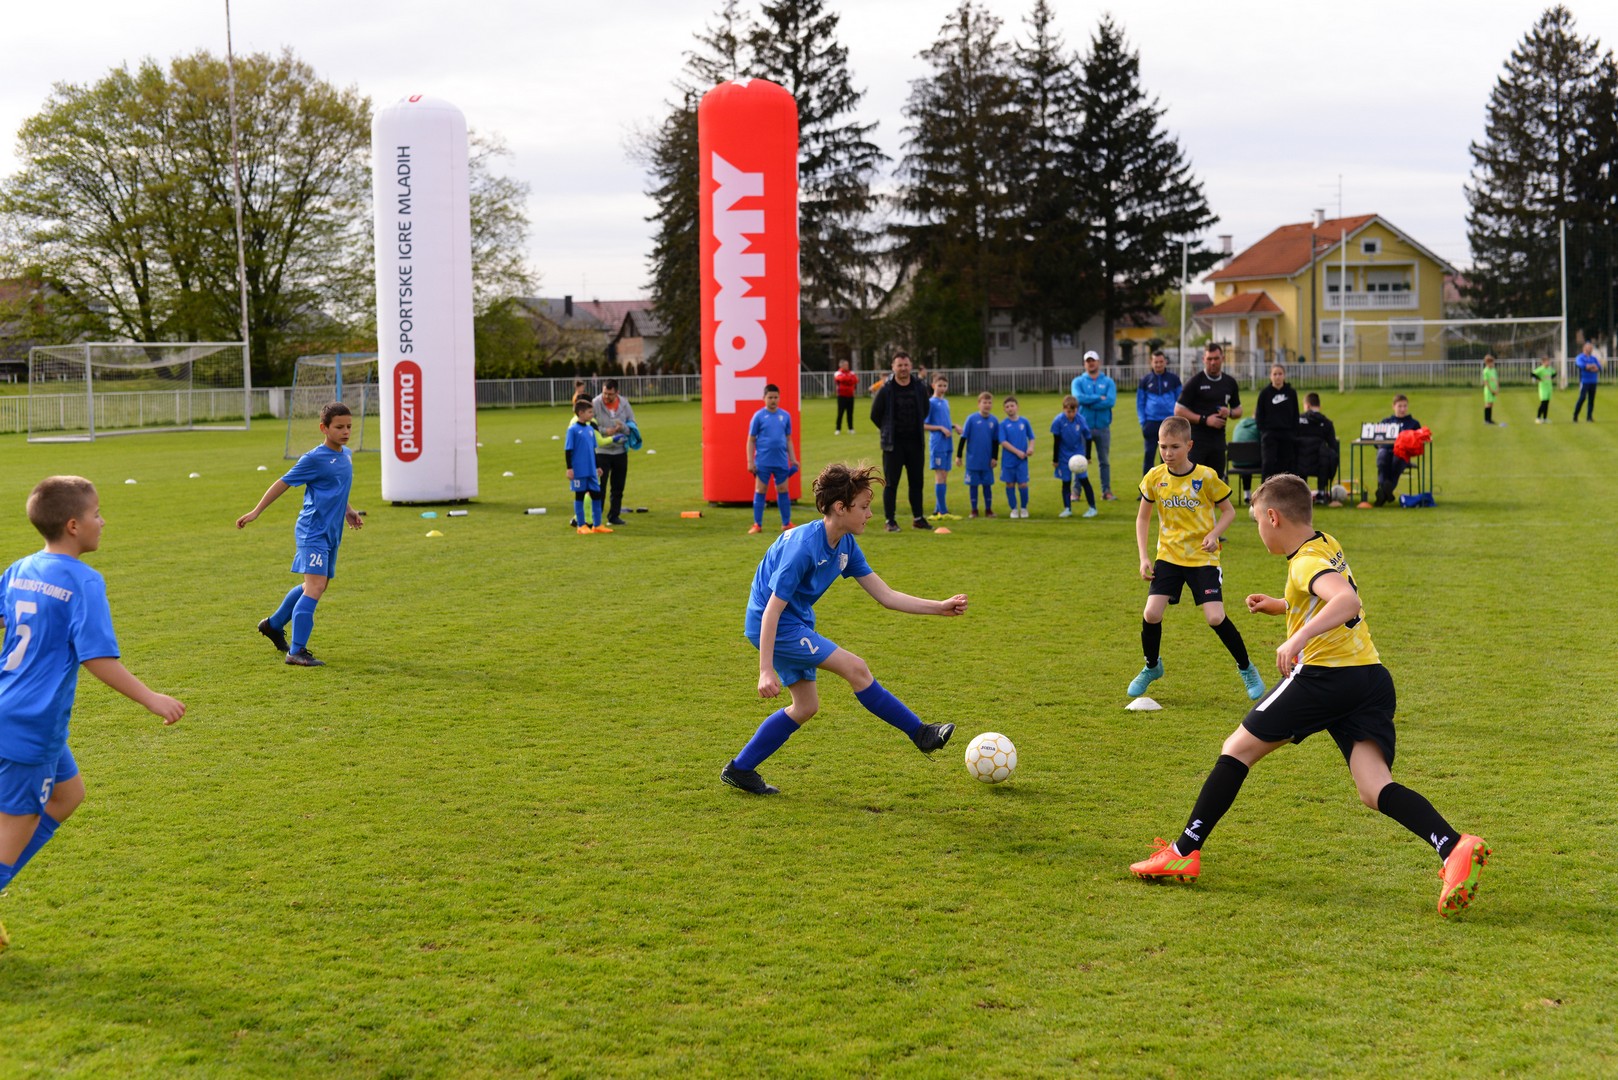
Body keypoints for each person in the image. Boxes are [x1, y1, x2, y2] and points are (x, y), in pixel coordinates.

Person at [1129, 474, 1490, 918]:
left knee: (1236, 749)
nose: (1258, 529)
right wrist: (1281, 607)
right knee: (1374, 788)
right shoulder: (1323, 543)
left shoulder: (1303, 564)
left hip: (1326, 678)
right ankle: (1454, 846)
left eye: (1258, 520)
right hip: (1369, 678)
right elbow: (1331, 594)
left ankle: (1184, 850)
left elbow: (1345, 602)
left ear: (1274, 517)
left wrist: (1295, 638)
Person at [0, 476, 186, 951]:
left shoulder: (20, 568)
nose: (103, 521)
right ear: (74, 525)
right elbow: (97, 657)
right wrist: (152, 698)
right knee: (15, 828)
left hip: (13, 712)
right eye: (98, 513)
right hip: (32, 725)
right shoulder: (84, 580)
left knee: (68, 796)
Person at [720, 463, 966, 795]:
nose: (869, 514)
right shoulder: (803, 548)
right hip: (774, 624)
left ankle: (741, 769)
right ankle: (920, 733)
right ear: (840, 507)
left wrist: (940, 607)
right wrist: (765, 670)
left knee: (806, 707)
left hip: (796, 620)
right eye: (864, 507)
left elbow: (886, 595)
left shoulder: (845, 545)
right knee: (856, 668)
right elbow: (770, 611)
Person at [1130, 416, 1267, 702]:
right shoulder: (1154, 477)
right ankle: (1152, 666)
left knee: (1215, 617)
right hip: (1168, 555)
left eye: (1175, 447)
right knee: (1151, 614)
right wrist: (1144, 557)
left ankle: (1247, 668)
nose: (1168, 453)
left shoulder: (1205, 477)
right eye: (1163, 447)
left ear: (1189, 445)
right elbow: (1143, 518)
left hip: (1202, 558)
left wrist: (1214, 534)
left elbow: (1229, 511)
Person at [238, 402, 364, 666]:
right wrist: (256, 511)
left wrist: (348, 510)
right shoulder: (313, 458)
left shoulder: (347, 454)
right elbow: (282, 483)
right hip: (313, 531)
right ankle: (296, 652)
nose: (345, 432)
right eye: (339, 427)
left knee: (315, 585)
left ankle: (272, 625)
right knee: (316, 586)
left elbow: (337, 487)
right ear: (324, 428)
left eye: (349, 426)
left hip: (331, 531)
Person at [869, 351, 933, 531]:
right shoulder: (886, 389)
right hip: (893, 445)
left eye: (906, 365)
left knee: (916, 482)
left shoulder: (919, 387)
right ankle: (890, 520)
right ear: (893, 367)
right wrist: (887, 429)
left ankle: (918, 518)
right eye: (899, 365)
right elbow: (875, 414)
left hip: (915, 443)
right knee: (891, 483)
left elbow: (925, 410)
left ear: (910, 366)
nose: (903, 369)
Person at [1175, 343, 1243, 478]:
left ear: (1222, 358)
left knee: (1215, 482)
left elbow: (1238, 410)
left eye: (1216, 358)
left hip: (1218, 441)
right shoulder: (1195, 382)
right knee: (1194, 481)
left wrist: (1229, 413)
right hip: (1197, 441)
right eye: (1209, 359)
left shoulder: (1229, 382)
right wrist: (1205, 420)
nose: (1213, 362)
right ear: (1203, 360)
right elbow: (1178, 410)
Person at [747, 384, 799, 534]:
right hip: (763, 461)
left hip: (781, 461)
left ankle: (786, 523)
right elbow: (750, 440)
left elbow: (788, 439)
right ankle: (757, 524)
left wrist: (793, 459)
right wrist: (750, 461)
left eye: (775, 397)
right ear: (764, 398)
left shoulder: (785, 416)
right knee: (760, 489)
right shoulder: (758, 416)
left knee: (783, 489)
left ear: (779, 398)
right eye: (770, 397)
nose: (773, 400)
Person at [565, 398, 617, 535]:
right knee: (580, 496)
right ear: (580, 413)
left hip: (591, 470)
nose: (592, 415)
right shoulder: (573, 430)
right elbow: (568, 450)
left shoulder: (590, 429)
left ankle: (597, 524)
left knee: (596, 495)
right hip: (579, 470)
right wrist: (569, 468)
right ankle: (581, 525)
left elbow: (593, 449)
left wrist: (598, 466)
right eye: (589, 412)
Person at [1072, 350, 1118, 500]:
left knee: (1104, 461)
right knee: (1079, 461)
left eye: (1093, 360)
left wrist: (1090, 402)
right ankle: (1076, 492)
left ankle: (1107, 491)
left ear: (1098, 362)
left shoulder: (1108, 382)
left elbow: (1110, 401)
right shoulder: (1078, 381)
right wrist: (1099, 398)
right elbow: (1078, 399)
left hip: (1103, 428)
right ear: (1085, 364)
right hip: (1083, 428)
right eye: (1088, 361)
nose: (1091, 363)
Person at [591, 380, 635, 526]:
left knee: (618, 486)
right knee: (600, 486)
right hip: (602, 451)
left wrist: (622, 427)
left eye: (610, 394)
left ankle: (614, 516)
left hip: (620, 451)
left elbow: (632, 425)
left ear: (616, 393)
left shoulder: (624, 404)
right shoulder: (595, 403)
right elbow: (591, 425)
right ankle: (597, 517)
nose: (606, 396)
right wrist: (605, 432)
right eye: (604, 393)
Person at [1137, 349, 1182, 478]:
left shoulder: (1174, 379)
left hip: (1169, 423)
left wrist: (1177, 420)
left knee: (1168, 457)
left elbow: (1180, 400)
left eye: (1161, 362)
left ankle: (1167, 487)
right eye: (1156, 362)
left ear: (1165, 362)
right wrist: (1143, 422)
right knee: (1149, 455)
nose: (1158, 365)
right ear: (1151, 362)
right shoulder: (1145, 380)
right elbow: (1140, 403)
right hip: (1151, 423)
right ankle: (1146, 491)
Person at [1050, 395, 1097, 519]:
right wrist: (1055, 459)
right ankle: (1067, 508)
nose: (1071, 414)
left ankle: (1092, 508)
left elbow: (1088, 437)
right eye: (1068, 411)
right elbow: (1056, 441)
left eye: (1073, 411)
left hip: (1078, 454)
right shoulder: (1058, 421)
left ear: (1077, 409)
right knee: (1066, 482)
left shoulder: (1080, 419)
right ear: (1064, 409)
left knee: (1084, 480)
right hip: (1063, 455)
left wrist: (1087, 456)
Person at [956, 391, 1000, 518]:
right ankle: (974, 510)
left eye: (989, 402)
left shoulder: (994, 421)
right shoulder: (971, 419)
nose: (987, 405)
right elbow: (963, 438)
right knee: (973, 485)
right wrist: (959, 456)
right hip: (973, 460)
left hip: (987, 461)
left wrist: (994, 457)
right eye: (984, 402)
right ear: (978, 404)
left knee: (987, 485)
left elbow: (995, 441)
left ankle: (988, 510)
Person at [1254, 363, 1300, 480]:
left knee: (1286, 466)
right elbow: (1259, 414)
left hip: (1287, 434)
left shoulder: (1291, 393)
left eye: (1280, 374)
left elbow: (1295, 414)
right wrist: (1264, 431)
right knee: (1268, 464)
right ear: (1270, 376)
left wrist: (1293, 432)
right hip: (1270, 435)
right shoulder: (1265, 393)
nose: (1277, 377)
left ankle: (1285, 494)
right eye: (1275, 374)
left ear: (1284, 375)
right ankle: (1266, 494)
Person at [1373, 394, 1421, 507]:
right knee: (1382, 457)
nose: (1403, 409)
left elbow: (1419, 442)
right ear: (1393, 406)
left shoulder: (1414, 424)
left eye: (1405, 406)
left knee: (1397, 459)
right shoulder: (1386, 422)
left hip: (1402, 455)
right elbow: (1376, 442)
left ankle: (1383, 492)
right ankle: (1387, 491)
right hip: (1386, 451)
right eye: (1400, 406)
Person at [1295, 393, 1341, 505]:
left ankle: (1301, 493)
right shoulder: (1327, 423)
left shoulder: (1297, 420)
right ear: (1319, 406)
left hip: (1299, 463)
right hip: (1320, 465)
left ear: (1307, 405)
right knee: (1328, 455)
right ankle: (1321, 492)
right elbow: (1334, 447)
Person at [924, 374, 960, 518]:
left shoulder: (945, 402)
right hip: (938, 443)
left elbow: (943, 422)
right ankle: (942, 511)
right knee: (940, 475)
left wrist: (953, 426)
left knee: (944, 475)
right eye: (939, 385)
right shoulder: (930, 402)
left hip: (947, 442)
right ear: (933, 386)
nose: (942, 388)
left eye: (945, 385)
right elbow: (924, 425)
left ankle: (938, 508)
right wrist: (940, 428)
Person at [998, 396, 1035, 518]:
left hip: (1022, 460)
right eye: (1007, 407)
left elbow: (1031, 437)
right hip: (1008, 461)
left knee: (1023, 484)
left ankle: (1024, 508)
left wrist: (1030, 448)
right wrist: (1017, 452)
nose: (1010, 409)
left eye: (1012, 406)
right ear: (1004, 409)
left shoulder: (1024, 422)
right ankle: (1013, 509)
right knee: (1010, 484)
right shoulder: (1003, 424)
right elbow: (1003, 442)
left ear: (1017, 407)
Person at [1572, 341, 1601, 422]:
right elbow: (1581, 365)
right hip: (1584, 381)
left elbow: (1599, 367)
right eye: (1589, 348)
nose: (1590, 349)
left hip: (1593, 381)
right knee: (1582, 398)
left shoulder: (1593, 358)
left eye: (1591, 348)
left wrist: (1594, 367)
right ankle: (1575, 415)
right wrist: (1591, 366)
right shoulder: (1580, 357)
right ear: (1584, 348)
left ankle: (1589, 417)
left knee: (1591, 399)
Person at [833, 359, 858, 434]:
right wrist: (849, 380)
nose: (847, 366)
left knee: (850, 413)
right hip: (842, 395)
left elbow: (855, 380)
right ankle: (838, 429)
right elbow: (840, 379)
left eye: (847, 365)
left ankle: (850, 428)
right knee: (840, 413)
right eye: (845, 365)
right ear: (841, 365)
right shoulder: (838, 373)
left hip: (850, 395)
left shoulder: (851, 372)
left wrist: (847, 380)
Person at [1531, 356, 1555, 423]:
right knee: (1543, 403)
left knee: (1547, 403)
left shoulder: (1550, 369)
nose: (1548, 363)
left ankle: (1545, 418)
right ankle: (1538, 418)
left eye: (1548, 361)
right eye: (1546, 361)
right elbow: (1533, 374)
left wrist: (1551, 378)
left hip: (1549, 388)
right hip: (1543, 388)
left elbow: (1554, 373)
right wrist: (1539, 379)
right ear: (1543, 362)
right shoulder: (1541, 369)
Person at [1481, 355, 1500, 425]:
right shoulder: (1486, 371)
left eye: (1493, 362)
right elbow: (1486, 382)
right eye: (1491, 363)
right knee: (1488, 404)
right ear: (1487, 363)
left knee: (1491, 404)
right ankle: (1486, 419)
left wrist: (1497, 388)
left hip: (1494, 389)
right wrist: (1491, 390)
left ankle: (1490, 419)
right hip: (1489, 390)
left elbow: (1496, 379)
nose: (1492, 364)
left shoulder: (1493, 370)